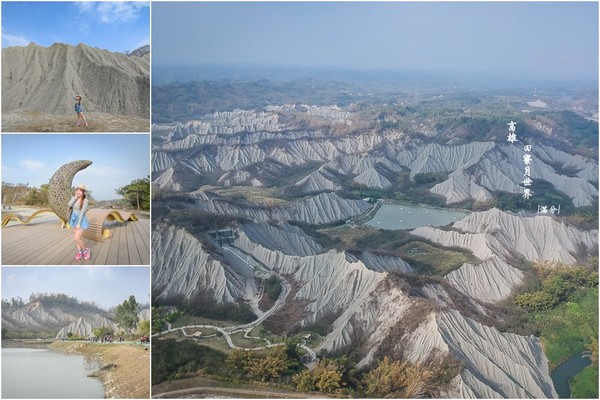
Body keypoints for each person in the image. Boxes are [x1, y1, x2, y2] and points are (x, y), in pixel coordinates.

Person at [68, 184, 91, 261]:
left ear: (83, 192)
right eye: (77, 190)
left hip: (80, 220)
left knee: (76, 238)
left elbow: (82, 213)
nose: (78, 192)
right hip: (73, 218)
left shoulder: (85, 200)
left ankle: (85, 250)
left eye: (80, 190)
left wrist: (78, 223)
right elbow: (69, 204)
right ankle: (80, 252)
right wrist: (75, 198)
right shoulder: (74, 198)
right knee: (78, 238)